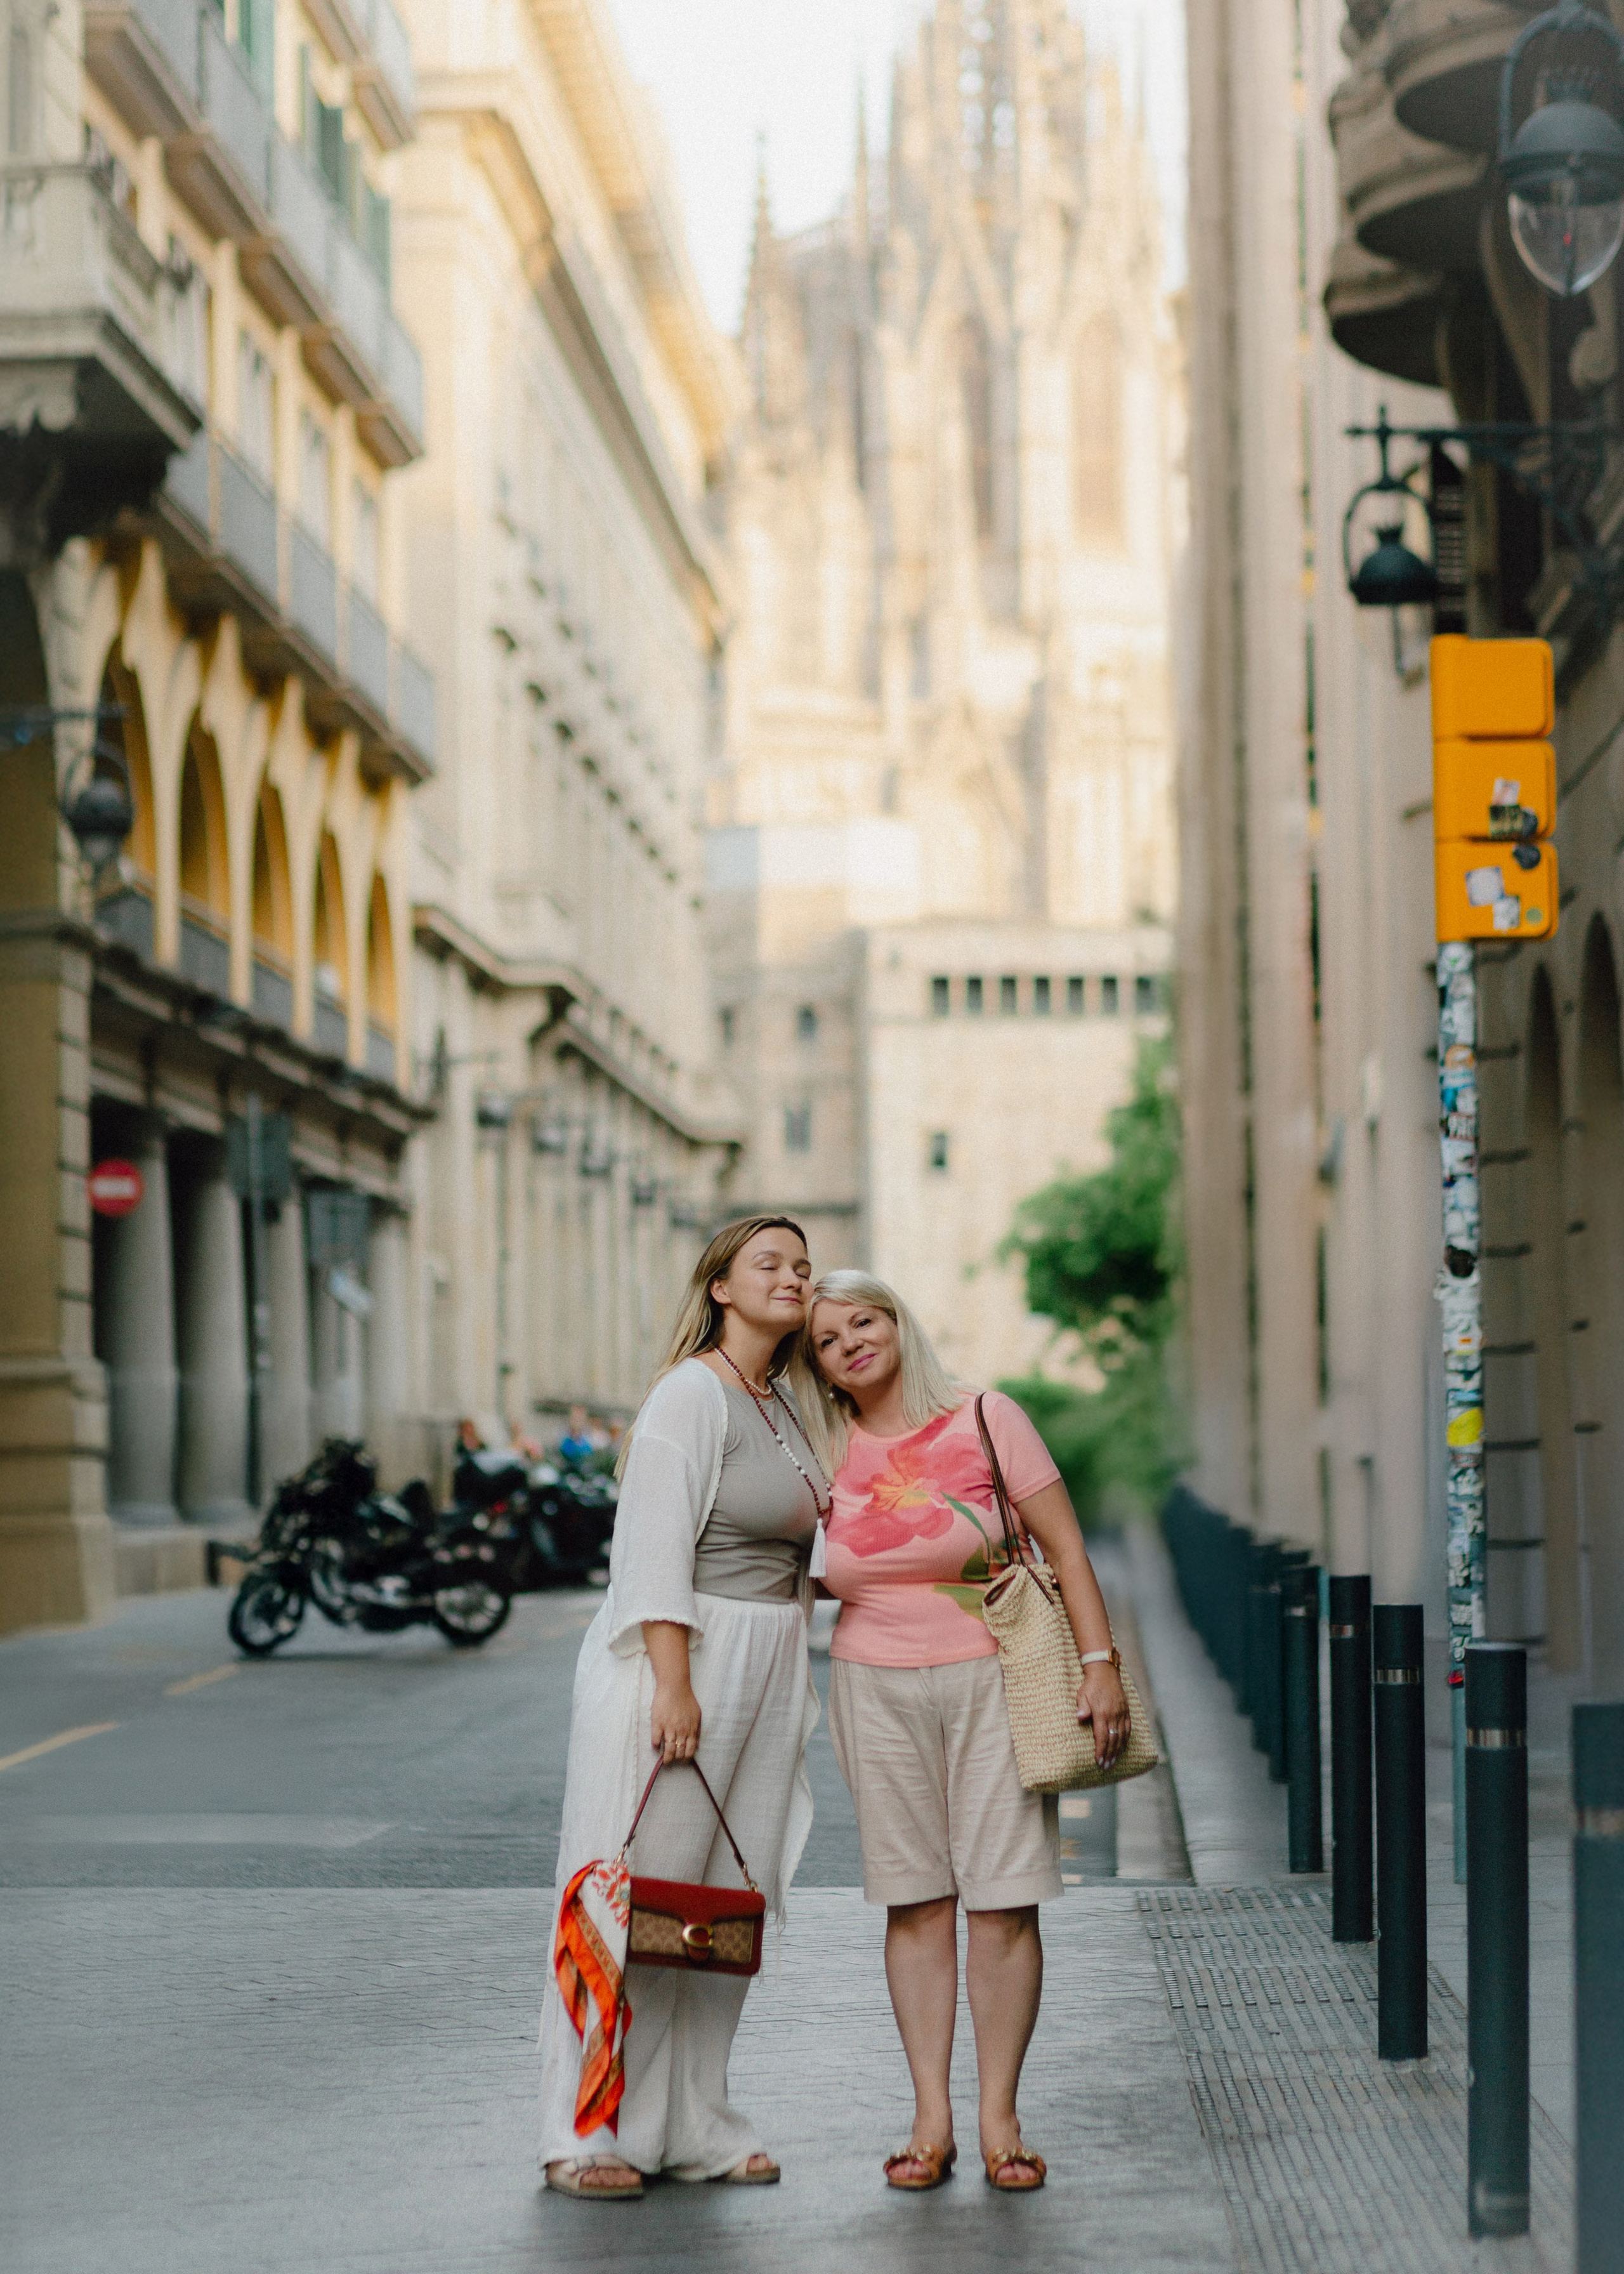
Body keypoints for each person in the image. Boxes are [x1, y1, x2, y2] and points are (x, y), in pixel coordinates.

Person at [793, 1270, 1130, 2195]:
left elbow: (1065, 1547)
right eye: (827, 1339)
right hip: (870, 1684)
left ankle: (1000, 2119)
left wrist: (1099, 1667)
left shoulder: (986, 1416)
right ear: (816, 1365)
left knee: (1004, 1897)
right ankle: (930, 2120)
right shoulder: (822, 1444)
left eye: (864, 1321)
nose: (850, 1342)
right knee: (915, 1900)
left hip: (995, 1675)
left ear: (898, 1322)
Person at [538, 1216, 830, 2200]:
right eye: (770, 1265)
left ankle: (693, 2122)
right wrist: (673, 1681)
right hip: (685, 1660)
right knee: (631, 1903)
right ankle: (586, 2131)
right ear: (721, 1287)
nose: (793, 1278)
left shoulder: (784, 1404)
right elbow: (654, 1546)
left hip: (768, 1666)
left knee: (714, 1913)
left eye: (802, 1266)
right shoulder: (688, 1394)